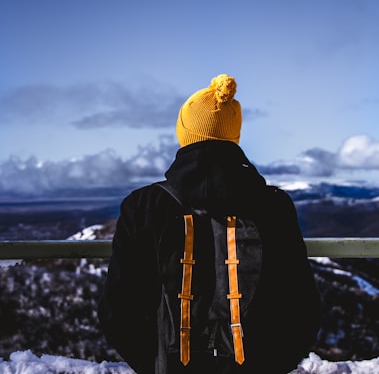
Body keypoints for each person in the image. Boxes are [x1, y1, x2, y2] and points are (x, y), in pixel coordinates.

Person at [98, 74, 321, 374]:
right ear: (234, 135)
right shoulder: (274, 206)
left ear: (184, 134)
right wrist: (273, 365)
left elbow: (118, 309)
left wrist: (152, 365)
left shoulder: (143, 206)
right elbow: (302, 305)